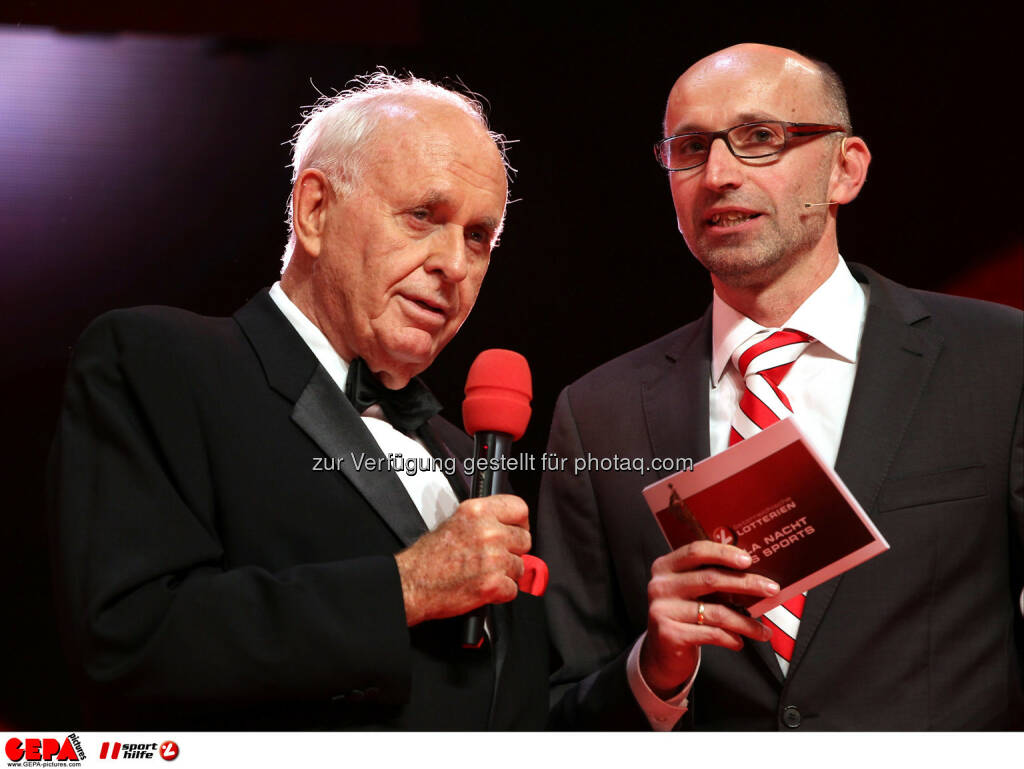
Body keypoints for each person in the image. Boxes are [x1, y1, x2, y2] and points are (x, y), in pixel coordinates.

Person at [538, 43, 1023, 730]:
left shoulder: (1000, 360)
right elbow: (558, 706)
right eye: (690, 148)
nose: (719, 175)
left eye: (760, 138)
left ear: (845, 169)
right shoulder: (597, 414)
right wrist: (654, 672)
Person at [48, 73, 547, 730]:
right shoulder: (163, 361)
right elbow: (128, 642)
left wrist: (651, 670)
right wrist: (407, 586)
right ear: (314, 210)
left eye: (478, 236)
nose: (454, 264)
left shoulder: (467, 453)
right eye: (423, 215)